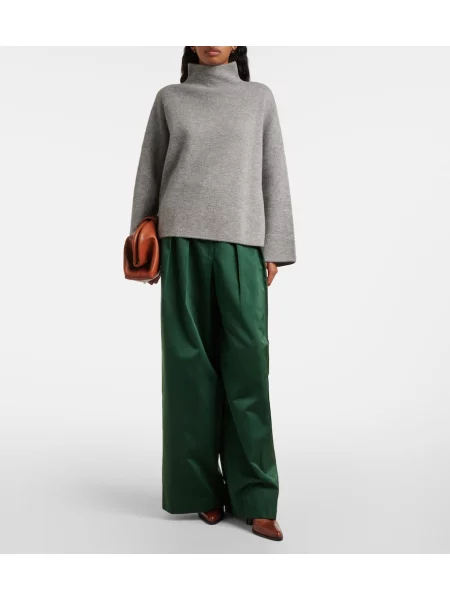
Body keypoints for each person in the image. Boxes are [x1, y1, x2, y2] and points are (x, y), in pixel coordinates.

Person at [129, 46, 296, 541]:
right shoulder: (170, 98)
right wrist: (143, 242)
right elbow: (149, 172)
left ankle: (257, 497)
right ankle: (200, 490)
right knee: (188, 372)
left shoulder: (258, 98)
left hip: (243, 245)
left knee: (248, 368)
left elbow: (274, 174)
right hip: (180, 243)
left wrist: (276, 248)